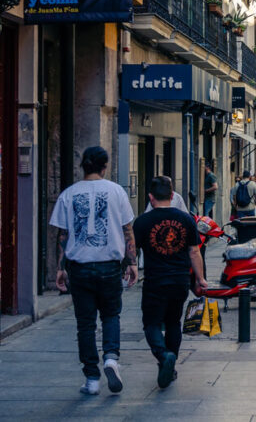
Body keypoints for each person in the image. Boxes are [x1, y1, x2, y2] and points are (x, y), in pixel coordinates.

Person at [50, 146, 137, 396]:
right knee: (111, 315)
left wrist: (60, 268)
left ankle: (91, 378)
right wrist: (132, 262)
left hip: (79, 268)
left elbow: (63, 235)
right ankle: (111, 357)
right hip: (109, 266)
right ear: (104, 166)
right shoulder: (116, 192)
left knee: (85, 324)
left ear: (83, 166)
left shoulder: (68, 194)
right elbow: (127, 229)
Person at [133, 175, 206, 389]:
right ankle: (170, 365)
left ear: (151, 197)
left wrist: (131, 269)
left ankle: (163, 356)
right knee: (174, 322)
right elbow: (194, 252)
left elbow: (132, 250)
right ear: (172, 195)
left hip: (155, 281)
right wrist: (200, 279)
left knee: (151, 323)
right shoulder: (186, 219)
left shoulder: (143, 221)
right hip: (180, 280)